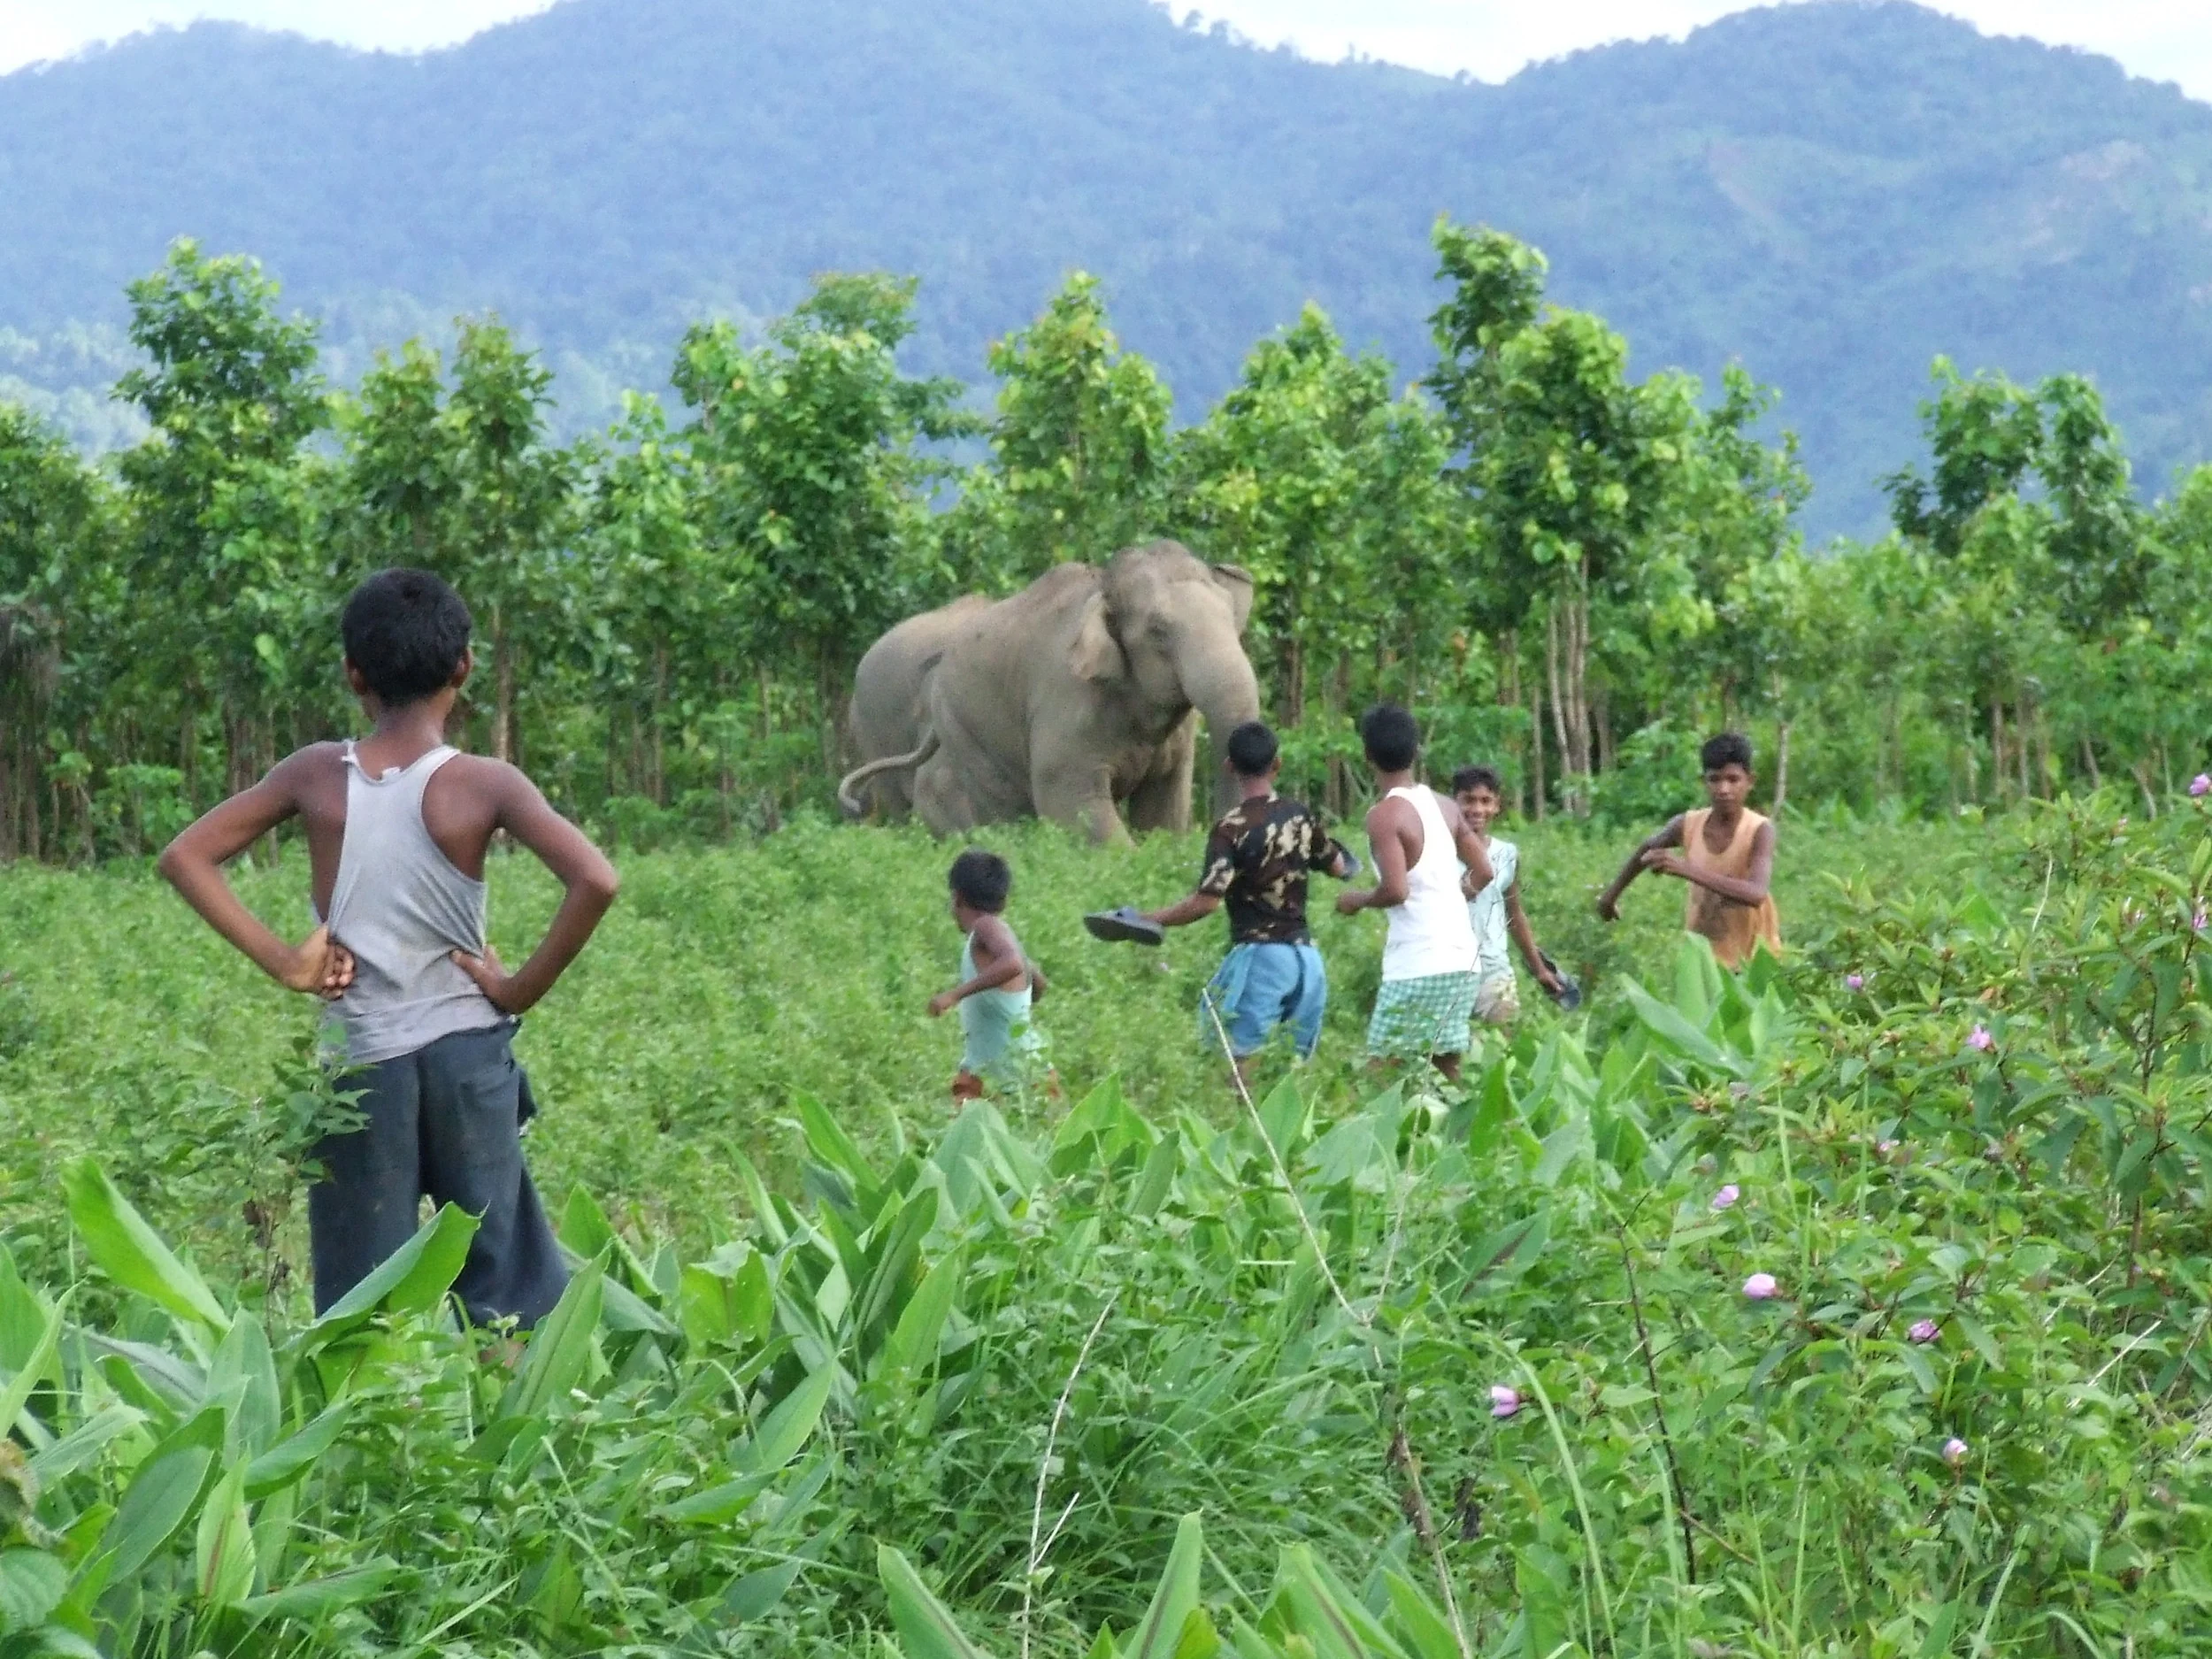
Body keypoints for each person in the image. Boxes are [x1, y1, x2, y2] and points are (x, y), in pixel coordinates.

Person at [158, 568, 619, 1329]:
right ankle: (511, 1441)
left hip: (362, 1067)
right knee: (504, 1288)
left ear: (353, 675)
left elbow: (185, 855)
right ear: (463, 667)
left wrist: (286, 960)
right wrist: (516, 989)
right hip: (468, 1060)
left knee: (361, 1303)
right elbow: (596, 879)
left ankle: (370, 1435)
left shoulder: (314, 775)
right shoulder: (485, 783)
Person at [1130, 721, 1357, 1087]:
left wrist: (1148, 918)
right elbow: (1338, 865)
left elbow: (1206, 901)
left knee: (1241, 1067)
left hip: (1263, 959)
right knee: (1295, 1072)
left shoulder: (1230, 827)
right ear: (1277, 764)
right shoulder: (1300, 815)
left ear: (1229, 767)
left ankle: (1246, 1137)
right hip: (1307, 960)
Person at [1335, 705, 1494, 1083]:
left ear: (1366, 755)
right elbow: (1485, 871)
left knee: (1380, 1076)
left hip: (1419, 964)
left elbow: (1396, 890)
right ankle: (1462, 1140)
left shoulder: (1384, 816)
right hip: (1462, 960)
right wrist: (1452, 897)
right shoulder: (1444, 806)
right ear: (1417, 750)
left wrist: (1356, 900)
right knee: (1446, 1071)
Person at [1594, 730, 1781, 969]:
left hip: (1753, 958)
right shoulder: (1688, 824)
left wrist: (1685, 869)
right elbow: (1646, 849)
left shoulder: (1760, 830)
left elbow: (1756, 893)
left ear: (1750, 781)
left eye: (1733, 780)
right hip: (1705, 955)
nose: (1724, 789)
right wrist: (1610, 898)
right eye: (1715, 779)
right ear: (1704, 781)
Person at [927, 848, 1049, 1102]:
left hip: (1016, 1079)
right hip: (995, 1071)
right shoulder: (1001, 935)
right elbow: (1037, 981)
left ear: (957, 897)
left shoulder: (986, 926)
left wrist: (954, 995)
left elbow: (1014, 964)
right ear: (1003, 901)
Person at [1451, 764, 1564, 1025]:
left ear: (1496, 806)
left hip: (1494, 969)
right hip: (1448, 968)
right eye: (1468, 800)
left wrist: (1539, 969)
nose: (1477, 810)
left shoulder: (1507, 854)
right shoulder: (1438, 853)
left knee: (1503, 1050)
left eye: (1485, 801)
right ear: (1453, 804)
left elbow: (1514, 913)